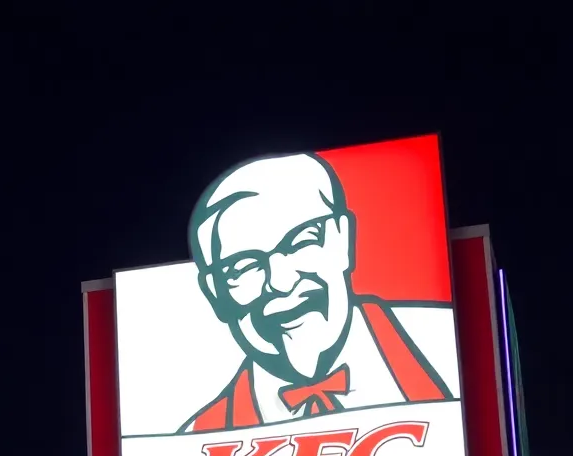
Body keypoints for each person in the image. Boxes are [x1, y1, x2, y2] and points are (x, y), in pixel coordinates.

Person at [180, 151, 457, 433]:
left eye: (301, 242)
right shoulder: (194, 440)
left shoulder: (447, 348)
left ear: (343, 240)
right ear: (214, 293)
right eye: (242, 266)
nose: (281, 282)